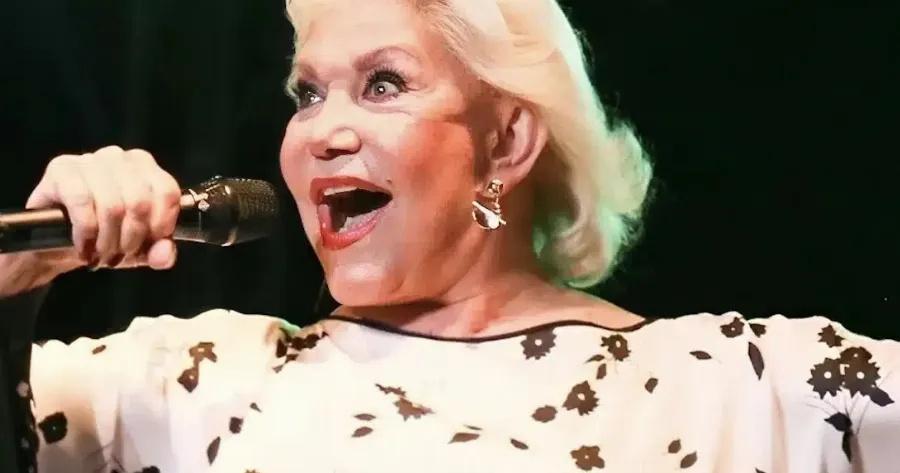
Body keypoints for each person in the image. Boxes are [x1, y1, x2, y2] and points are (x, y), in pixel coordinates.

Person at [1, 0, 897, 471]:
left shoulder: (751, 388)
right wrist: (20, 277)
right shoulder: (184, 385)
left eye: (383, 84)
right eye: (307, 93)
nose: (321, 131)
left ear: (506, 141)